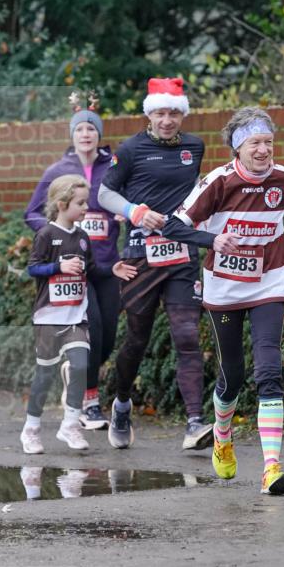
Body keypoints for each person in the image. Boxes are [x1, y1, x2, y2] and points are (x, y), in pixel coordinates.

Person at [163, 106, 284, 495]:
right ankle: (222, 435)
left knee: (269, 369)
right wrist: (213, 240)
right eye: (255, 143)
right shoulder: (218, 182)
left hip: (269, 280)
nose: (264, 150)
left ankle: (271, 468)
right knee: (233, 374)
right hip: (224, 286)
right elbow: (173, 225)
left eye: (269, 142)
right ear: (238, 148)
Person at [98, 77, 213, 451]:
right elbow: (104, 192)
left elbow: (194, 190)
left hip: (181, 255)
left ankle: (194, 422)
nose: (167, 120)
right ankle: (121, 405)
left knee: (187, 336)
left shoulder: (194, 147)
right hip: (140, 257)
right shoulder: (131, 149)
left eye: (174, 114)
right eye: (160, 113)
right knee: (137, 339)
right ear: (149, 114)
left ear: (182, 115)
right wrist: (134, 211)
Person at [24, 92, 120, 430]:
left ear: (99, 134)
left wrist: (125, 214)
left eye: (91, 129)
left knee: (108, 336)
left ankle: (76, 378)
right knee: (92, 330)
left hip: (106, 263)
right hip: (72, 269)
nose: (85, 134)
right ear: (72, 134)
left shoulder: (114, 168)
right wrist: (58, 232)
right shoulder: (58, 170)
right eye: (79, 129)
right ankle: (89, 402)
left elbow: (129, 202)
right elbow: (32, 213)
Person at [20, 175, 133, 455]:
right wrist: (58, 267)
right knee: (45, 374)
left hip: (76, 316)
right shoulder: (46, 234)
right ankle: (31, 429)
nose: (86, 208)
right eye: (80, 203)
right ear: (62, 204)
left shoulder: (82, 237)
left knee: (81, 367)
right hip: (50, 317)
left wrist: (111, 271)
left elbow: (91, 270)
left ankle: (70, 425)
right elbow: (32, 268)